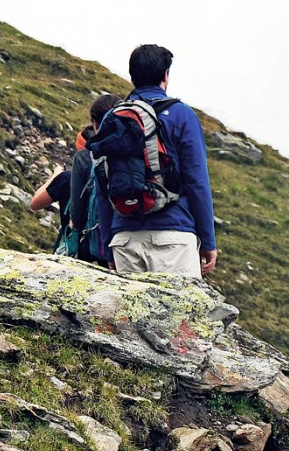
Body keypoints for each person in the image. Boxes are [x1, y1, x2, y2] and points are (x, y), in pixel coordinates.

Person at [96, 45, 217, 279]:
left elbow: (102, 185)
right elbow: (197, 181)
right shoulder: (182, 115)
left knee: (131, 305)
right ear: (165, 75)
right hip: (174, 237)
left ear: (132, 75)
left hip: (125, 239)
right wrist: (208, 241)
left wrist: (109, 246)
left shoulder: (112, 117)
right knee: (181, 304)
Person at [31, 94, 118, 263]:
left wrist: (55, 175)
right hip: (116, 244)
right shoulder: (123, 160)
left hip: (82, 249)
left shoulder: (67, 176)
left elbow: (35, 203)